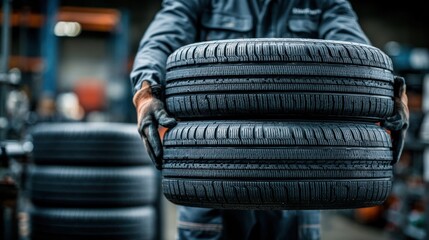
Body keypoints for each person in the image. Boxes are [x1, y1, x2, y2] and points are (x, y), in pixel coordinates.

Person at [130, 0, 409, 239]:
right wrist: (145, 90)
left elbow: (357, 55)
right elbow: (164, 36)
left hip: (299, 187)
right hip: (214, 181)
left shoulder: (321, 2)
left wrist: (386, 90)